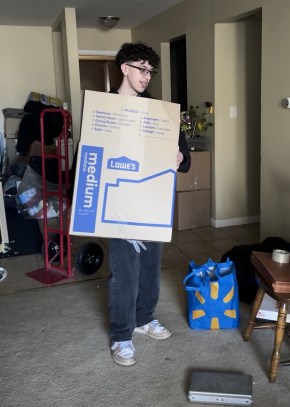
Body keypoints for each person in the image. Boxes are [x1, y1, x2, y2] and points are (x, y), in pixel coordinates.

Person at [106, 42, 191, 367]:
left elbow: (182, 155)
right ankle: (121, 335)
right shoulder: (104, 108)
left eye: (150, 71)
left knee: (151, 264)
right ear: (125, 67)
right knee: (124, 268)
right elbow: (88, 156)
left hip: (153, 198)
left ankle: (144, 319)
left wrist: (180, 156)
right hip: (117, 200)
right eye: (142, 69)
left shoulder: (160, 110)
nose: (147, 76)